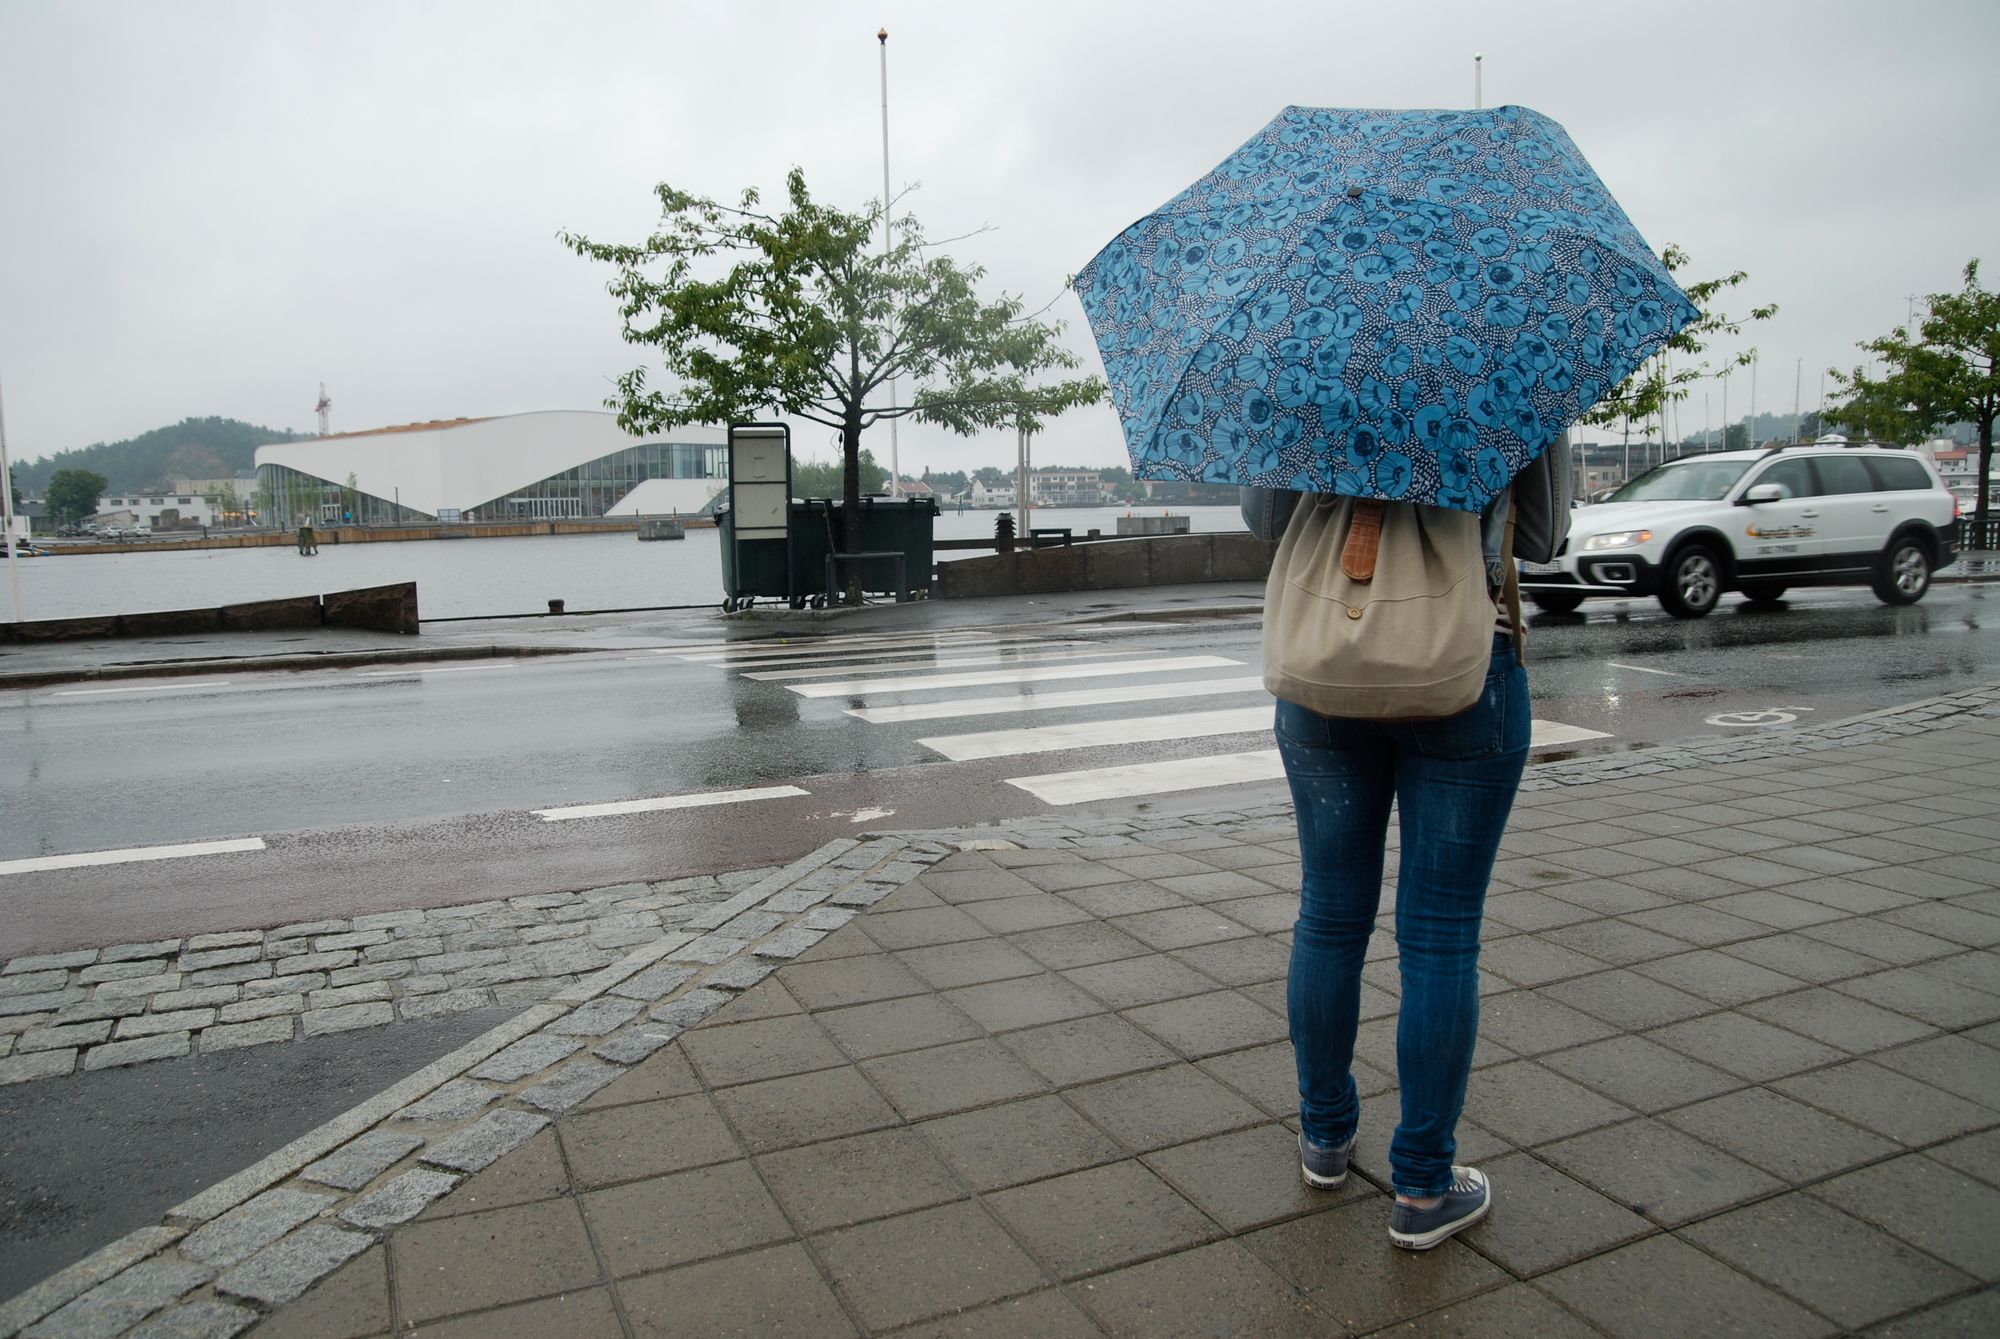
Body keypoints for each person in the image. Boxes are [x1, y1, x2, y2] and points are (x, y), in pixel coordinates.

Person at [1274, 492, 1528, 1251]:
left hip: (1327, 656)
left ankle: (1324, 1137)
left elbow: (1265, 517)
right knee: (1442, 935)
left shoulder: (1296, 371)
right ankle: (1421, 1183)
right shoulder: (1505, 373)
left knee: (1328, 911)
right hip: (1463, 661)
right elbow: (1544, 531)